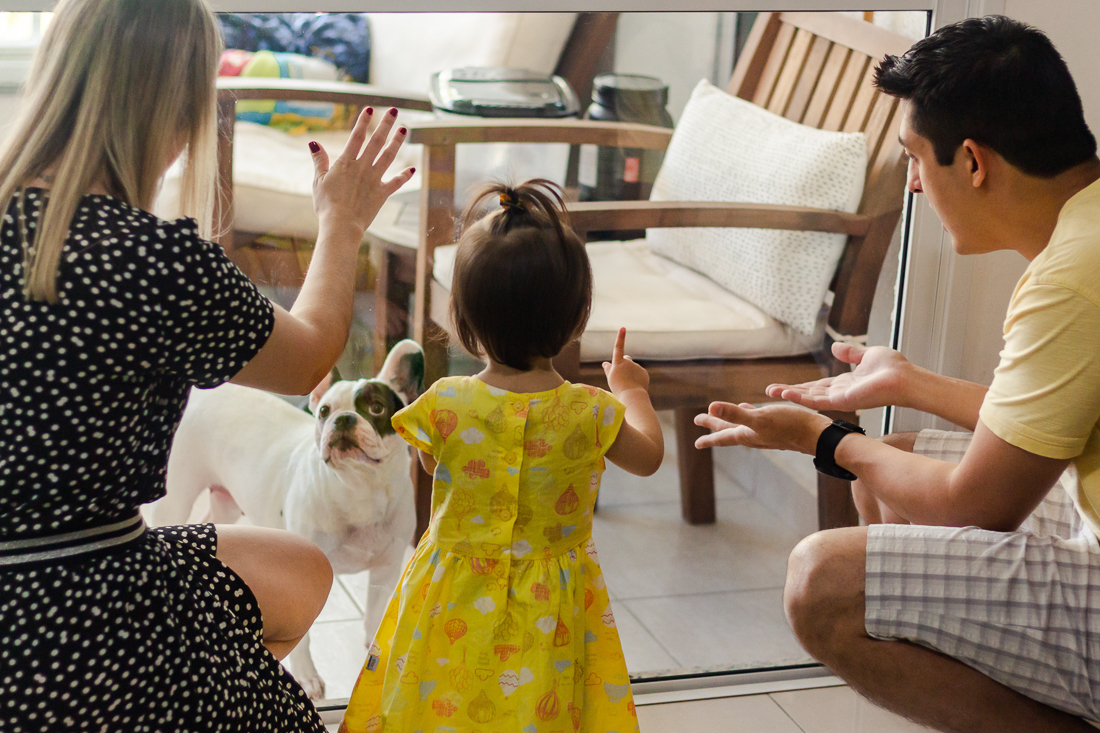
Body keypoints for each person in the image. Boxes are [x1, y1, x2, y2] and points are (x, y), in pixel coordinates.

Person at [0, 0, 414, 730]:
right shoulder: (154, 259)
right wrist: (342, 221)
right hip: (92, 605)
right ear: (174, 110)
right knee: (282, 627)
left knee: (303, 564)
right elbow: (310, 350)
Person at [694, 15, 1100, 733]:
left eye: (916, 158)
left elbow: (978, 506)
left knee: (821, 580)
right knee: (899, 464)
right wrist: (909, 381)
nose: (913, 185)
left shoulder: (1071, 278)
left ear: (972, 161)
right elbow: (1048, 425)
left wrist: (828, 442)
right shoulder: (1087, 232)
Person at [340, 180, 664, 733]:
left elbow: (429, 465)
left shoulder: (444, 404)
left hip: (450, 592)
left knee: (437, 692)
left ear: (464, 323)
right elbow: (650, 455)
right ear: (577, 318)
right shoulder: (592, 412)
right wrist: (631, 390)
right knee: (541, 701)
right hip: (552, 607)